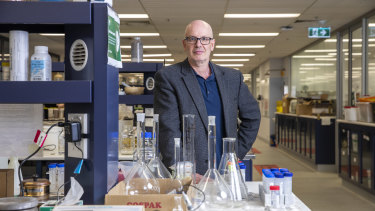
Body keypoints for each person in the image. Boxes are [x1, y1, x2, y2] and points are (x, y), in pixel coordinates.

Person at [154, 20, 261, 176]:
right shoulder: (168, 77)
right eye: (192, 39)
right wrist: (185, 171)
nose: (199, 44)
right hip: (191, 174)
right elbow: (168, 131)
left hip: (227, 171)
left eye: (204, 39)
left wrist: (236, 152)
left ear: (212, 44)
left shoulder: (232, 78)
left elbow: (252, 116)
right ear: (185, 44)